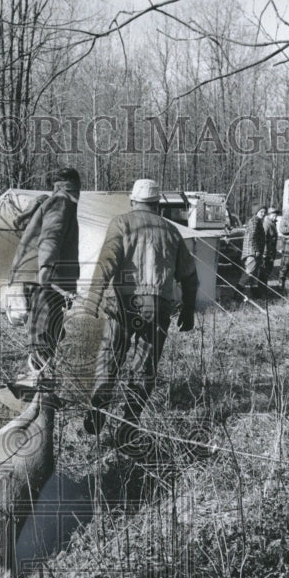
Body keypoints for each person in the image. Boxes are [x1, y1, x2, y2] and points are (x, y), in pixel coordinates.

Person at [83, 178, 198, 443]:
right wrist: (188, 311)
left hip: (123, 304)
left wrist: (92, 300)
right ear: (157, 204)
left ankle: (98, 414)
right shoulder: (171, 231)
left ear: (133, 201)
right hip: (158, 306)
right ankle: (130, 423)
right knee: (145, 368)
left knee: (110, 359)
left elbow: (106, 263)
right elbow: (189, 276)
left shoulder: (121, 223)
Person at [7, 167, 81, 385]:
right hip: (44, 279)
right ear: (75, 187)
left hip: (32, 276)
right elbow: (51, 237)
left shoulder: (49, 202)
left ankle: (39, 381)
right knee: (43, 334)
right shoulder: (62, 202)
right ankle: (37, 386)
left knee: (48, 331)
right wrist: (46, 270)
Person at [240, 205, 267, 298]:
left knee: (255, 274)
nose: (263, 214)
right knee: (249, 272)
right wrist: (255, 250)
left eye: (264, 212)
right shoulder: (254, 221)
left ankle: (255, 294)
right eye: (261, 212)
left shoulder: (258, 221)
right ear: (256, 212)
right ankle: (237, 293)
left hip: (255, 252)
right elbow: (252, 237)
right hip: (252, 252)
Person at [262, 208, 280, 282]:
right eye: (273, 215)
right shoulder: (266, 224)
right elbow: (264, 240)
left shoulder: (273, 224)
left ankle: (264, 289)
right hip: (266, 253)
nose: (275, 217)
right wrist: (265, 253)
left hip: (271, 252)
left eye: (276, 215)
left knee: (268, 271)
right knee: (264, 272)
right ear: (268, 215)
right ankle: (261, 291)